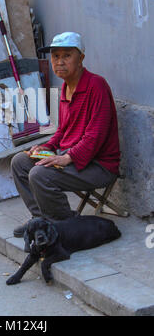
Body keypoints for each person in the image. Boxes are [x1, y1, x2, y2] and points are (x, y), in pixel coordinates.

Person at [11, 32, 120, 237]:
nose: (59, 62)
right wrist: (48, 147)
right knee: (19, 162)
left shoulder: (96, 86)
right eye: (55, 56)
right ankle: (42, 220)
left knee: (40, 174)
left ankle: (64, 224)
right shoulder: (65, 87)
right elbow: (63, 130)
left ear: (81, 58)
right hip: (74, 157)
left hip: (99, 165)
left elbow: (95, 136)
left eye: (67, 56)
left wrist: (66, 158)